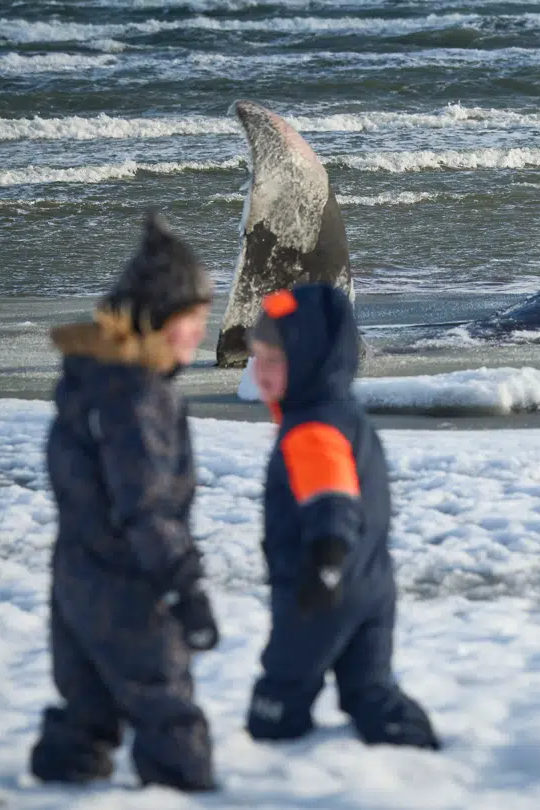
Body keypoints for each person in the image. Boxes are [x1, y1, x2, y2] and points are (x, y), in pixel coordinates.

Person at [29, 211, 220, 792]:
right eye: (194, 320)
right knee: (167, 714)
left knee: (86, 718)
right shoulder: (136, 398)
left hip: (75, 577)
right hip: (127, 584)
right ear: (162, 319)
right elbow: (146, 505)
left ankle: (54, 793)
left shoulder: (88, 380)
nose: (201, 332)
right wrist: (184, 584)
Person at [244, 283, 438, 749]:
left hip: (320, 587)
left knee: (282, 689)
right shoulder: (343, 412)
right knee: (369, 690)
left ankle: (267, 767)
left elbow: (332, 499)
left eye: (273, 360)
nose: (259, 371)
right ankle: (417, 753)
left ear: (308, 361)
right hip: (371, 584)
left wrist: (326, 562)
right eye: (256, 357)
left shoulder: (311, 428)